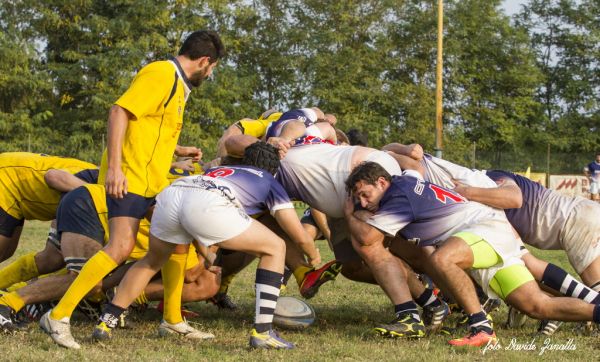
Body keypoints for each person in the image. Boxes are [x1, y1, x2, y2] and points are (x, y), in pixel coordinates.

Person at [40, 30, 224, 345]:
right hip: (131, 178)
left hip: (153, 183)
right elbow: (119, 112)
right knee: (121, 247)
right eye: (213, 68)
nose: (211, 73)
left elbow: (147, 127)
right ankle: (58, 315)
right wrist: (113, 169)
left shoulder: (178, 87)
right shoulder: (162, 73)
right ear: (206, 61)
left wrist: (177, 151)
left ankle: (172, 320)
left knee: (177, 241)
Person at [345, 162, 600, 347]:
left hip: (483, 229)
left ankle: (481, 326)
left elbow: (367, 239)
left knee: (441, 259)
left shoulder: (397, 196)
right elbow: (414, 164)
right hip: (489, 235)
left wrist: (349, 211)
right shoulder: (407, 179)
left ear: (381, 182)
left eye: (365, 195)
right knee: (537, 305)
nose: (364, 203)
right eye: (358, 199)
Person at [91, 142, 319, 349]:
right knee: (276, 247)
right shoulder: (268, 179)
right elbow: (297, 234)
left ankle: (106, 322)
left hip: (174, 194)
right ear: (274, 169)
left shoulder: (220, 170)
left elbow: (193, 218)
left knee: (152, 261)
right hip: (208, 202)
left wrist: (208, 256)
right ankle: (262, 332)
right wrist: (313, 257)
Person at [452, 169, 600, 334]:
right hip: (581, 213)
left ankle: (573, 311)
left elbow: (514, 198)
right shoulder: (489, 183)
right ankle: (571, 309)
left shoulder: (489, 179)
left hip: (575, 220)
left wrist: (466, 191)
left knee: (593, 294)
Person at [0, 152, 96, 262]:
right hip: (8, 178)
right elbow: (53, 177)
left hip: (17, 183)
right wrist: (95, 193)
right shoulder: (100, 183)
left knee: (7, 252)